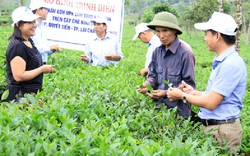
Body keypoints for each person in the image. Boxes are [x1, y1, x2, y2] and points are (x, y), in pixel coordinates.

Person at [167, 12, 247, 154]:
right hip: (217, 128)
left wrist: (182, 96)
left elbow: (211, 103)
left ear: (217, 35)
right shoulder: (223, 61)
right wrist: (193, 92)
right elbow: (216, 96)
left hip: (224, 131)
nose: (204, 38)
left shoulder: (230, 64)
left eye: (206, 34)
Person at [137, 12, 195, 119]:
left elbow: (189, 87)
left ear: (174, 31)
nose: (161, 35)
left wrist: (165, 93)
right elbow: (152, 76)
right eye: (158, 31)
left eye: (165, 31)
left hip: (178, 112)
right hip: (159, 109)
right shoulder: (157, 52)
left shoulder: (185, 53)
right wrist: (146, 86)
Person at [5, 6, 55, 102]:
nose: (34, 25)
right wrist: (42, 69)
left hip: (29, 97)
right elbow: (19, 76)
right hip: (18, 99)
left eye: (34, 22)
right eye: (30, 23)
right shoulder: (17, 46)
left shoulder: (29, 40)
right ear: (19, 25)